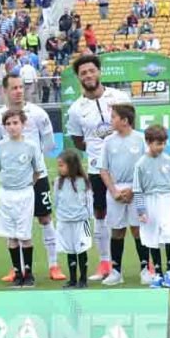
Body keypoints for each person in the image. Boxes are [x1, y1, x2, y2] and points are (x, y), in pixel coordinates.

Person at [0, 74, 63, 282]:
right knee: (12, 225)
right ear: (5, 90)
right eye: (13, 88)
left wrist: (33, 164)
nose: (19, 91)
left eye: (21, 87)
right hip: (13, 183)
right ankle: (17, 268)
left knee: (45, 218)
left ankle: (53, 264)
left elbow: (48, 144)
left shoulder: (38, 113)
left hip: (37, 177)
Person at [66, 54, 132, 279]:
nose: (88, 75)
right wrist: (98, 152)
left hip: (126, 165)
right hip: (97, 168)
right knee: (100, 212)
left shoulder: (119, 97)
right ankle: (105, 263)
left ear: (99, 72)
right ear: (78, 77)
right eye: (83, 73)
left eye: (91, 71)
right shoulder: (76, 108)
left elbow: (132, 126)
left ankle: (147, 263)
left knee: (137, 211)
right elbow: (77, 140)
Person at [98, 104, 150, 286]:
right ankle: (116, 271)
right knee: (117, 231)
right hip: (116, 191)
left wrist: (134, 190)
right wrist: (113, 191)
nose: (110, 120)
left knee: (138, 230)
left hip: (137, 190)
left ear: (125, 120)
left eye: (113, 117)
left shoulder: (141, 139)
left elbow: (147, 168)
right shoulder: (108, 141)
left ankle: (145, 269)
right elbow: (103, 170)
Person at [0, 109, 45, 288]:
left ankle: (28, 273)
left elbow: (38, 171)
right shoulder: (0, 146)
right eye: (8, 124)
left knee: (24, 234)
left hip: (24, 193)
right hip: (6, 193)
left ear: (23, 124)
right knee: (11, 235)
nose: (12, 127)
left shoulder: (31, 146)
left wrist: (26, 185)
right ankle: (17, 272)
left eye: (15, 123)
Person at [133, 125, 170, 289]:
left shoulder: (169, 161)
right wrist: (141, 211)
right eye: (157, 144)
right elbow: (137, 189)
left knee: (168, 234)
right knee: (152, 238)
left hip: (167, 200)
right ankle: (158, 273)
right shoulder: (141, 164)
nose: (161, 147)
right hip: (149, 200)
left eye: (163, 143)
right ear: (148, 142)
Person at [54, 149, 94, 289]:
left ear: (71, 166)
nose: (59, 168)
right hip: (65, 221)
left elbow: (86, 199)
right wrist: (59, 214)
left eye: (62, 165)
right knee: (70, 250)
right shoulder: (58, 181)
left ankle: (83, 279)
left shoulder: (81, 182)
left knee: (81, 249)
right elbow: (56, 200)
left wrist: (87, 215)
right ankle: (72, 279)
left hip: (79, 221)